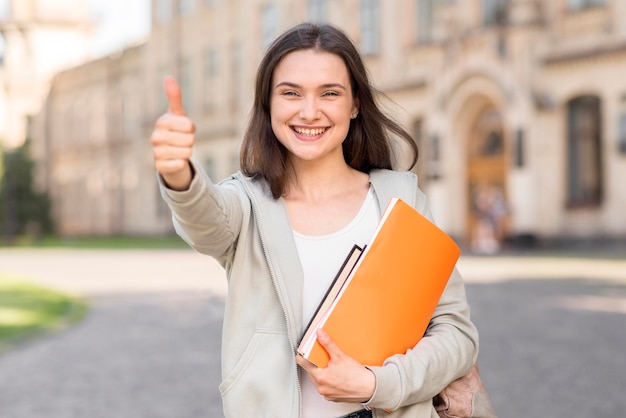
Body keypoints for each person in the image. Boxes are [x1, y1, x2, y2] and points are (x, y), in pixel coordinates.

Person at [151, 22, 478, 418]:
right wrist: (179, 174)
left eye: (329, 93)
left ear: (354, 104)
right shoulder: (247, 204)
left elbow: (456, 333)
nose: (309, 111)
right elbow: (205, 219)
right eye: (290, 93)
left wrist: (378, 384)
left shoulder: (401, 198)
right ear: (268, 103)